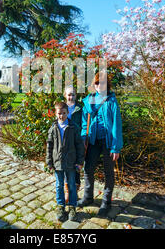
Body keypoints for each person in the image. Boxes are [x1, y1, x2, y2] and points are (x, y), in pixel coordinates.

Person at [77, 72, 123, 217]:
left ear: (106, 85)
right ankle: (88, 197)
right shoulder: (89, 100)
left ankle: (106, 202)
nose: (99, 86)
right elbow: (85, 123)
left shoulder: (111, 101)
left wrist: (116, 147)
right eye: (96, 83)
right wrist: (84, 139)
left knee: (108, 171)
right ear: (94, 85)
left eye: (102, 83)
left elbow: (116, 125)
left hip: (108, 142)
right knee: (88, 168)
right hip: (93, 141)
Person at [46, 101, 85, 222]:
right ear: (55, 114)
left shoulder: (73, 128)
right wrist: (49, 162)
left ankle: (72, 206)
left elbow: (79, 145)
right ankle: (61, 206)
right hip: (57, 163)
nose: (61, 116)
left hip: (71, 163)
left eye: (64, 113)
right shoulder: (53, 128)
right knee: (59, 185)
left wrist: (79, 161)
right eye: (59, 113)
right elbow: (49, 146)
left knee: (72, 185)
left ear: (68, 113)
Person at [63, 86, 83, 203]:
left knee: (76, 167)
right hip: (65, 142)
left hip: (76, 142)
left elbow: (84, 123)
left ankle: (74, 192)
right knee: (66, 167)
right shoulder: (62, 108)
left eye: (73, 95)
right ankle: (67, 192)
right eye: (69, 94)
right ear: (65, 95)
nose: (71, 97)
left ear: (76, 96)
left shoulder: (79, 109)